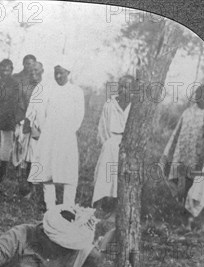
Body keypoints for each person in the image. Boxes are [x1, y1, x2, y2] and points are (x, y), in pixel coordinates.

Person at [26, 58, 85, 210]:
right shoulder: (47, 90)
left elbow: (79, 116)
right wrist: (45, 130)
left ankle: (67, 208)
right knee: (47, 172)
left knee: (68, 172)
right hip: (49, 134)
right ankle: (50, 207)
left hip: (67, 136)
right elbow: (40, 111)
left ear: (68, 73)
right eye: (56, 73)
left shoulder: (76, 92)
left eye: (61, 73)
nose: (58, 76)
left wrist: (67, 130)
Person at [160, 84, 204, 228]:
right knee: (185, 189)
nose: (199, 99)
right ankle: (184, 223)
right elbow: (176, 134)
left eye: (203, 96)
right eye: (197, 96)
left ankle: (202, 224)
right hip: (185, 157)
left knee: (202, 192)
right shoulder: (188, 112)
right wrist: (166, 154)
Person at [91, 75, 135, 217]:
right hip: (110, 144)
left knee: (123, 176)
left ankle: (117, 208)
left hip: (128, 146)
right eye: (121, 86)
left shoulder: (135, 106)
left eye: (127, 86)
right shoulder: (110, 104)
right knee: (105, 171)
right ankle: (99, 204)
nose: (123, 89)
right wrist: (108, 143)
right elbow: (102, 128)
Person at [13, 61, 44, 195]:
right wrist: (22, 123)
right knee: (28, 157)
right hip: (27, 125)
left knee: (41, 158)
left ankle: (42, 189)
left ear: (42, 71)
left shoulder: (48, 88)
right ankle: (29, 188)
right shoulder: (25, 87)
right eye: (31, 71)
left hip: (44, 127)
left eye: (36, 71)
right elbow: (20, 106)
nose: (33, 74)